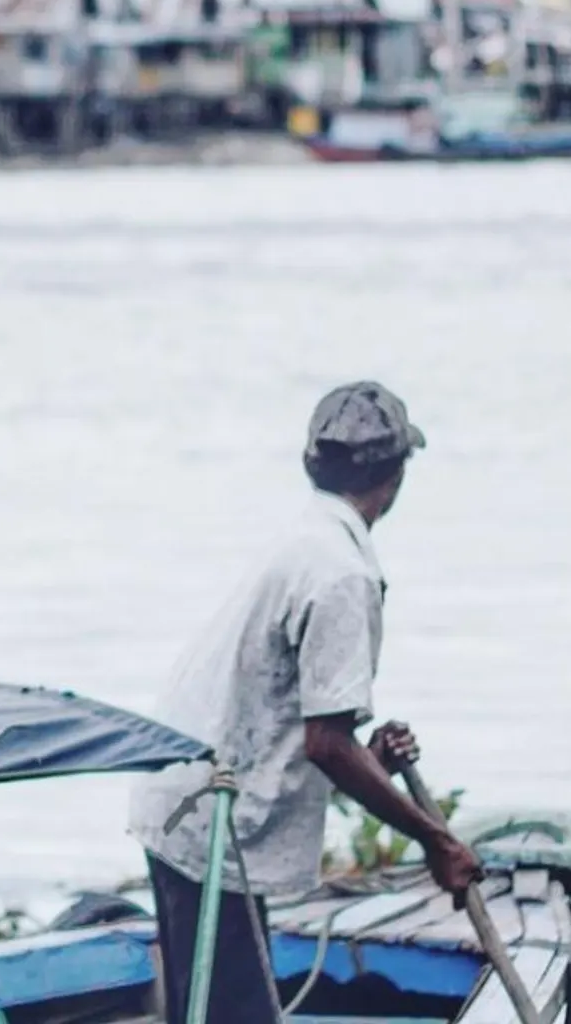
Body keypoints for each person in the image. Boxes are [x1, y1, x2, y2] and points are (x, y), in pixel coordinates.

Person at [128, 381, 482, 1024]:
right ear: (395, 476)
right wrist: (436, 841)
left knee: (208, 1011)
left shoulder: (306, 538)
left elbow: (311, 735)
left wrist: (369, 757)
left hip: (190, 804)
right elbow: (325, 744)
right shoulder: (342, 573)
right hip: (212, 825)